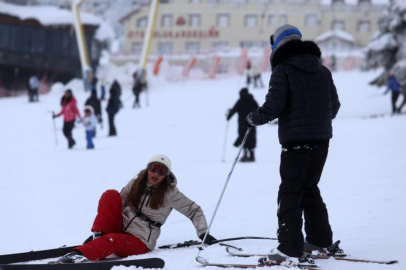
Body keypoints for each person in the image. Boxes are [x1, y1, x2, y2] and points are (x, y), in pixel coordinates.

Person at [246, 24, 342, 267]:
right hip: (322, 140)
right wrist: (316, 121)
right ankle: (320, 240)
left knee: (290, 192)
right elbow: (335, 107)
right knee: (310, 188)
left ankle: (289, 248)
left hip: (296, 142)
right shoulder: (322, 70)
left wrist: (253, 118)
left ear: (277, 45)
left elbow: (272, 107)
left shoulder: (283, 70)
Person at [51, 155, 216, 264]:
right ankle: (99, 238)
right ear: (148, 168)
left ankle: (80, 255)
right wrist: (103, 229)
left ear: (166, 174)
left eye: (162, 170)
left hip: (140, 239)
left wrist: (203, 233)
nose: (156, 173)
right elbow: (117, 203)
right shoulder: (136, 183)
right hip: (121, 227)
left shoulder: (170, 193)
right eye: (154, 167)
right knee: (111, 195)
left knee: (113, 240)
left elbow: (193, 210)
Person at [227, 88, 259, 162]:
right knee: (251, 138)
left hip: (242, 124)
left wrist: (228, 117)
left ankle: (245, 156)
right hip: (252, 123)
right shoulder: (252, 101)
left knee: (243, 138)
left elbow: (234, 110)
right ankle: (252, 156)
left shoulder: (240, 101)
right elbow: (258, 110)